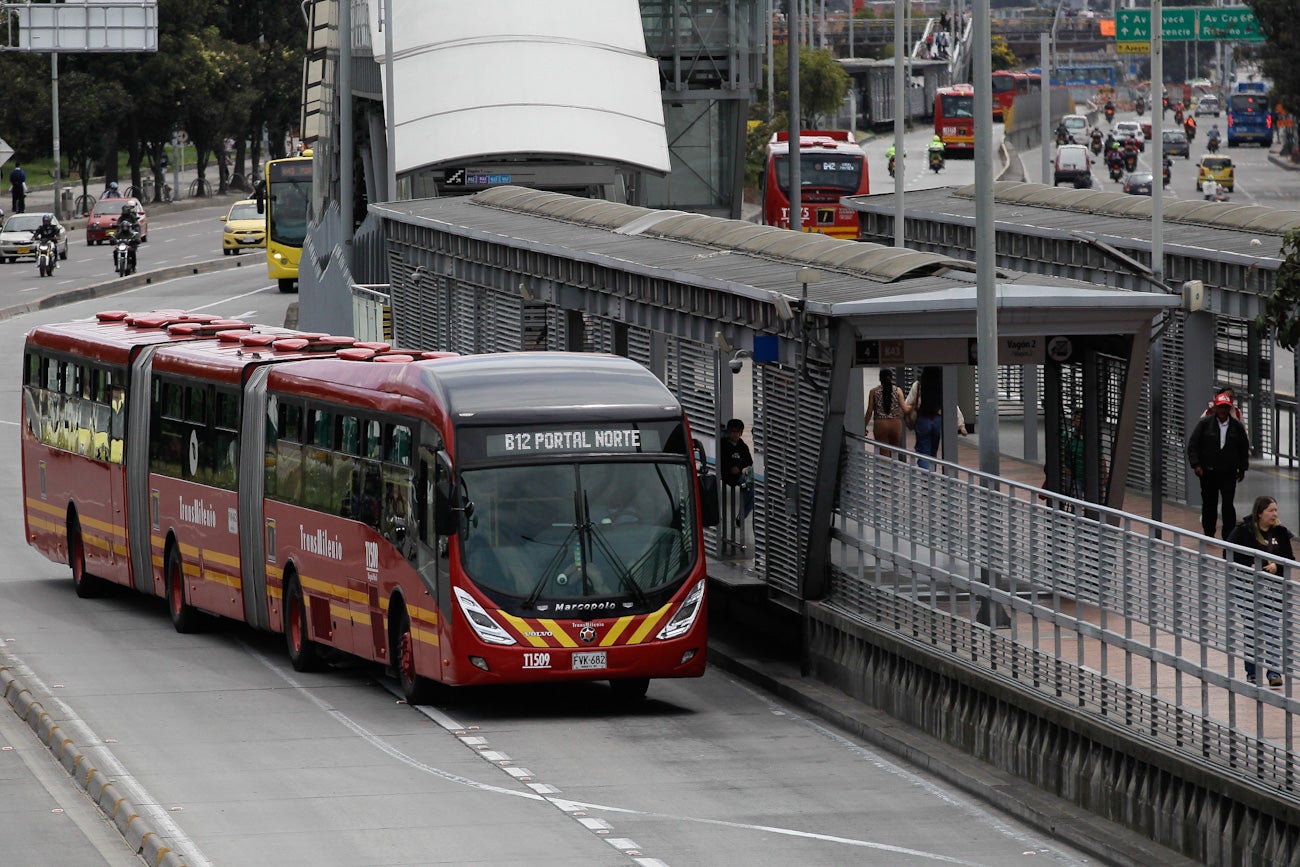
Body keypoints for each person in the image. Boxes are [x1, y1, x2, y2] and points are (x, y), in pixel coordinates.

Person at [1226, 496, 1292, 687]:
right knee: (1252, 628)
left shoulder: (1280, 533)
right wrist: (1251, 565)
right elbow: (1228, 553)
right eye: (1271, 510)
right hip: (1247, 585)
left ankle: (1273, 672)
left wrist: (1276, 567)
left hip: (1272, 588)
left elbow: (1289, 558)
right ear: (1260, 513)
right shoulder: (1243, 530)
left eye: (1276, 510)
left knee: (1271, 628)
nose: (1275, 514)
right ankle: (1252, 672)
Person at [1187, 392, 1251, 539]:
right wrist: (1196, 465)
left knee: (1228, 504)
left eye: (1226, 407)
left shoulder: (1237, 426)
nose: (1223, 410)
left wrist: (1242, 468)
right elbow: (1193, 445)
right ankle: (1209, 533)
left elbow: (1243, 447)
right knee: (1210, 503)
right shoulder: (1204, 424)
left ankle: (1228, 535)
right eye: (1220, 407)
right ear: (1215, 407)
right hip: (1208, 472)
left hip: (1228, 473)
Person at [905, 366, 966, 470]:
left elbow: (908, 403)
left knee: (923, 452)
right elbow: (952, 404)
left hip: (923, 420)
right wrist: (961, 425)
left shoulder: (918, 385)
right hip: (937, 420)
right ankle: (931, 477)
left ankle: (927, 478)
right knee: (933, 451)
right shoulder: (942, 384)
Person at [865, 369, 908, 458]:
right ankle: (893, 471)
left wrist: (863, 426)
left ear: (880, 379)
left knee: (884, 454)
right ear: (891, 378)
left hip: (880, 424)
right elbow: (905, 409)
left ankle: (885, 471)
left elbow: (869, 411)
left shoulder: (874, 391)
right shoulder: (898, 390)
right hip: (896, 423)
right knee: (894, 453)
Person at [719, 418, 754, 524]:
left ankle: (742, 515)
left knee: (752, 488)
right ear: (729, 431)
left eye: (738, 432)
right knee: (748, 485)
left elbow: (748, 461)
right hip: (728, 475)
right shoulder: (722, 444)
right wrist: (730, 468)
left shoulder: (742, 446)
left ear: (741, 433)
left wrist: (742, 468)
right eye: (733, 431)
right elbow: (721, 460)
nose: (735, 434)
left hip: (741, 474)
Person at [112, 203, 142, 271]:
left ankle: (133, 267)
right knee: (115, 252)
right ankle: (117, 265)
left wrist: (135, 240)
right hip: (122, 244)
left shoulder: (132, 217)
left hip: (131, 238)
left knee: (132, 252)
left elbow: (136, 222)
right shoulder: (121, 218)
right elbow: (118, 223)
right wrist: (113, 240)